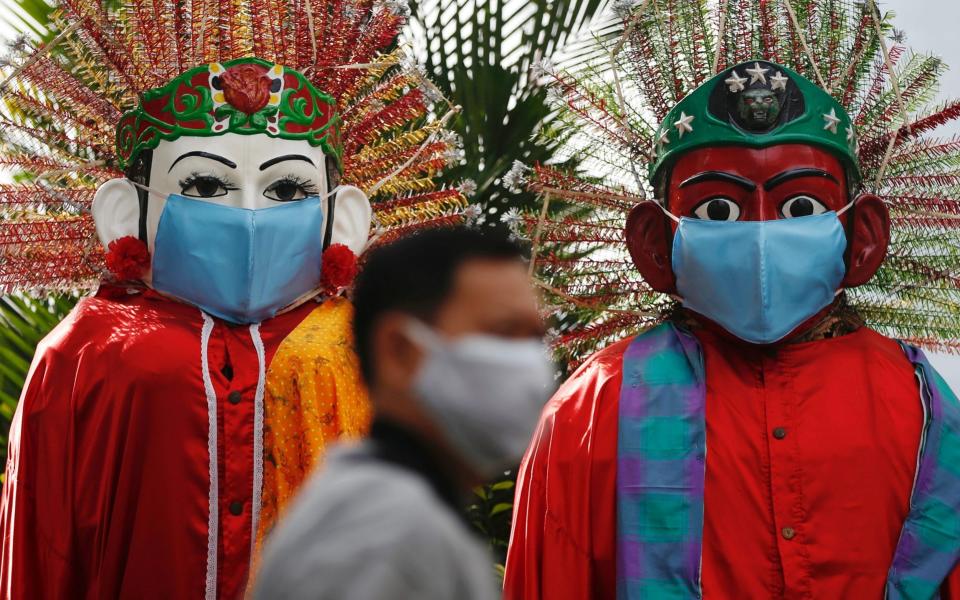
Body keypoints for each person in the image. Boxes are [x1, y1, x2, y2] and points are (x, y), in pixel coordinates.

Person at [0, 1, 465, 598]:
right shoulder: (86, 354)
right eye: (203, 184)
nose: (249, 212)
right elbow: (42, 552)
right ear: (127, 210)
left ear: (342, 217)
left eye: (287, 187)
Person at [504, 60, 960, 599]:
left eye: (801, 206)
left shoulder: (924, 407)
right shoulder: (595, 406)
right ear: (655, 243)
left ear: (861, 236)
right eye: (717, 209)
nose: (762, 231)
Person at [255, 226, 553, 600]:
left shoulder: (394, 516)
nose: (528, 364)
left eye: (534, 338)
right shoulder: (377, 540)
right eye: (503, 333)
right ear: (399, 350)